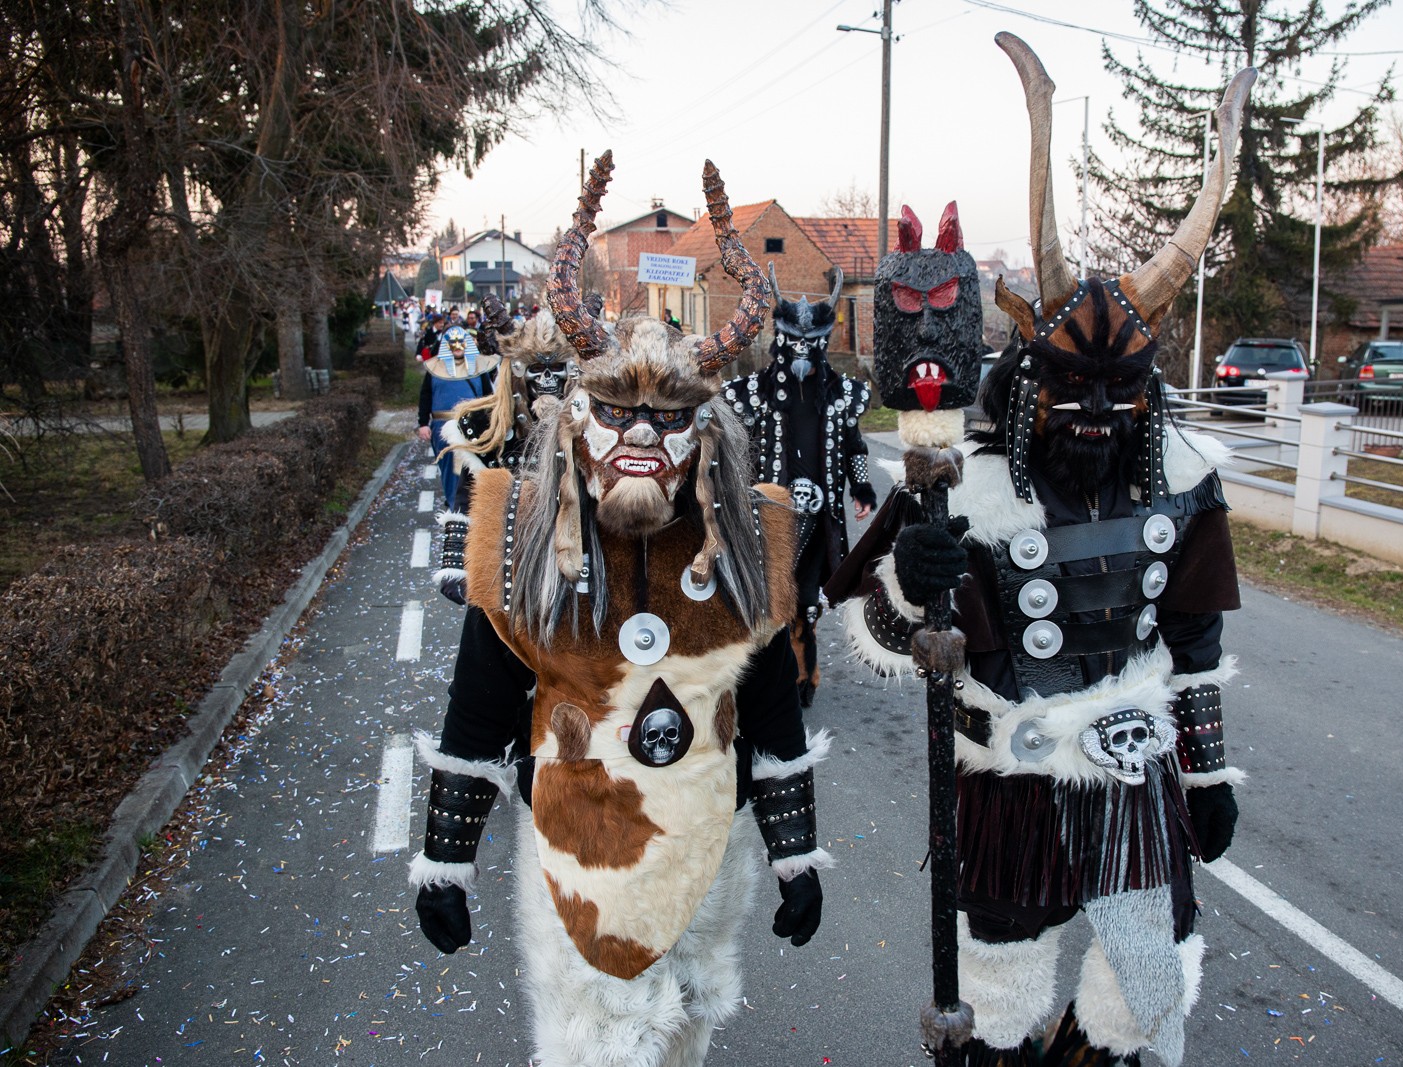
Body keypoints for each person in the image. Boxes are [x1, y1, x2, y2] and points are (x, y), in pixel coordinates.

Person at [826, 37, 1252, 1067]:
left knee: (1143, 984)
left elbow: (1191, 639)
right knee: (999, 989)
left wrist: (1204, 774)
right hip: (1008, 774)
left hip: (1131, 765)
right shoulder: (965, 488)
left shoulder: (1180, 478)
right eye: (1075, 386)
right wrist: (912, 582)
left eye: (1121, 389)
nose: (1098, 410)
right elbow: (881, 629)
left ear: (1147, 391)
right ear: (1030, 375)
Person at [410, 151, 830, 1067]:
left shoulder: (743, 542)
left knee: (682, 1045)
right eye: (616, 408)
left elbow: (768, 701)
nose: (641, 432)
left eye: (670, 416)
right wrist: (446, 859)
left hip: (704, 846)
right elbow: (480, 703)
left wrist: (795, 853)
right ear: (574, 418)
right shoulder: (524, 539)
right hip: (580, 850)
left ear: (706, 430)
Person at [721, 265, 875, 706]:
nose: (803, 351)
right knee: (768, 593)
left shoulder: (841, 393)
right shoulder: (754, 392)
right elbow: (734, 447)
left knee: (808, 599)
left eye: (813, 342)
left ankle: (804, 672)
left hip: (821, 516)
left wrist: (861, 488)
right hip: (768, 515)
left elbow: (854, 445)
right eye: (795, 342)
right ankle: (765, 675)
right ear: (781, 341)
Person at [434, 298, 576, 604]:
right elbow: (467, 497)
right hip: (504, 567)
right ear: (519, 372)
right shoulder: (489, 425)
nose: (548, 380)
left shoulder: (590, 423)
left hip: (573, 567)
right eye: (537, 369)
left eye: (556, 369)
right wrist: (455, 566)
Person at [416, 322, 497, 510]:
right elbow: (425, 396)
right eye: (453, 342)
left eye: (461, 341)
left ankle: (470, 509)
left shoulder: (478, 368)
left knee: (474, 468)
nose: (458, 346)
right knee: (450, 472)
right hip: (443, 427)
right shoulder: (435, 369)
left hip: (473, 426)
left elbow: (488, 397)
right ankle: (455, 508)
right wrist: (423, 423)